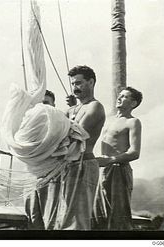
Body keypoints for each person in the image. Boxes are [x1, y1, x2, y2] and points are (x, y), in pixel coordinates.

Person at [55, 65, 105, 230]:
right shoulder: (72, 109)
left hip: (84, 164)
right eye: (73, 84)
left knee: (78, 220)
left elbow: (76, 133)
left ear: (91, 82)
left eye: (79, 83)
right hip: (69, 166)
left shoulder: (95, 107)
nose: (75, 88)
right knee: (65, 218)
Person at [95, 86, 142, 230]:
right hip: (102, 171)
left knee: (118, 217)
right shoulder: (109, 120)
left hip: (119, 171)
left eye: (124, 96)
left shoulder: (133, 122)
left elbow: (135, 152)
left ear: (133, 103)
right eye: (119, 95)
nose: (119, 98)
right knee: (98, 214)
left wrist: (110, 160)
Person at [25, 90, 61, 229]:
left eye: (46, 103)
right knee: (33, 218)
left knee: (51, 219)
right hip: (31, 178)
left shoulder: (60, 124)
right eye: (39, 104)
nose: (42, 107)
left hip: (52, 177)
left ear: (53, 105)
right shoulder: (28, 125)